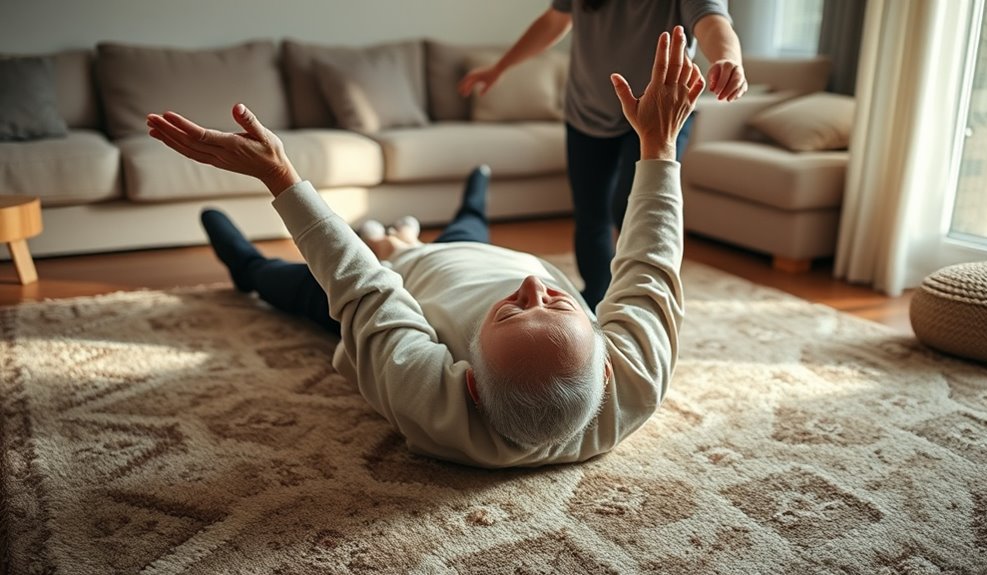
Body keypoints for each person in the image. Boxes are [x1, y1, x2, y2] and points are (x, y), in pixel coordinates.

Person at [146, 26, 703, 469]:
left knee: (293, 289)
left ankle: (245, 264)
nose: (534, 286)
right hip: (481, 257)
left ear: (467, 379)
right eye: (557, 303)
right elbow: (650, 265)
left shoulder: (429, 405)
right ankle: (474, 197)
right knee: (470, 231)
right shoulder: (635, 383)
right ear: (605, 369)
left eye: (512, 311)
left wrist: (282, 179)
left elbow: (364, 288)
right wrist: (659, 145)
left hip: (414, 279)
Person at [459, 0, 745, 309]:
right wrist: (498, 68)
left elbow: (713, 21)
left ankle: (644, 306)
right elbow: (554, 21)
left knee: (633, 210)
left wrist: (728, 59)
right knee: (590, 214)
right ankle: (596, 300)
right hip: (587, 110)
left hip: (658, 113)